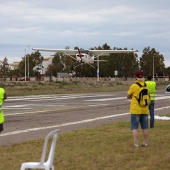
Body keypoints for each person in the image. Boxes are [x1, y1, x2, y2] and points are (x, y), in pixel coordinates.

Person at [127, 70, 149, 147]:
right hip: (145, 109)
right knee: (145, 127)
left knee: (134, 127)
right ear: (143, 76)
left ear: (135, 77)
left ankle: (136, 143)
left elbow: (128, 95)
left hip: (136, 109)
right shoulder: (146, 85)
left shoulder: (134, 85)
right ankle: (145, 143)